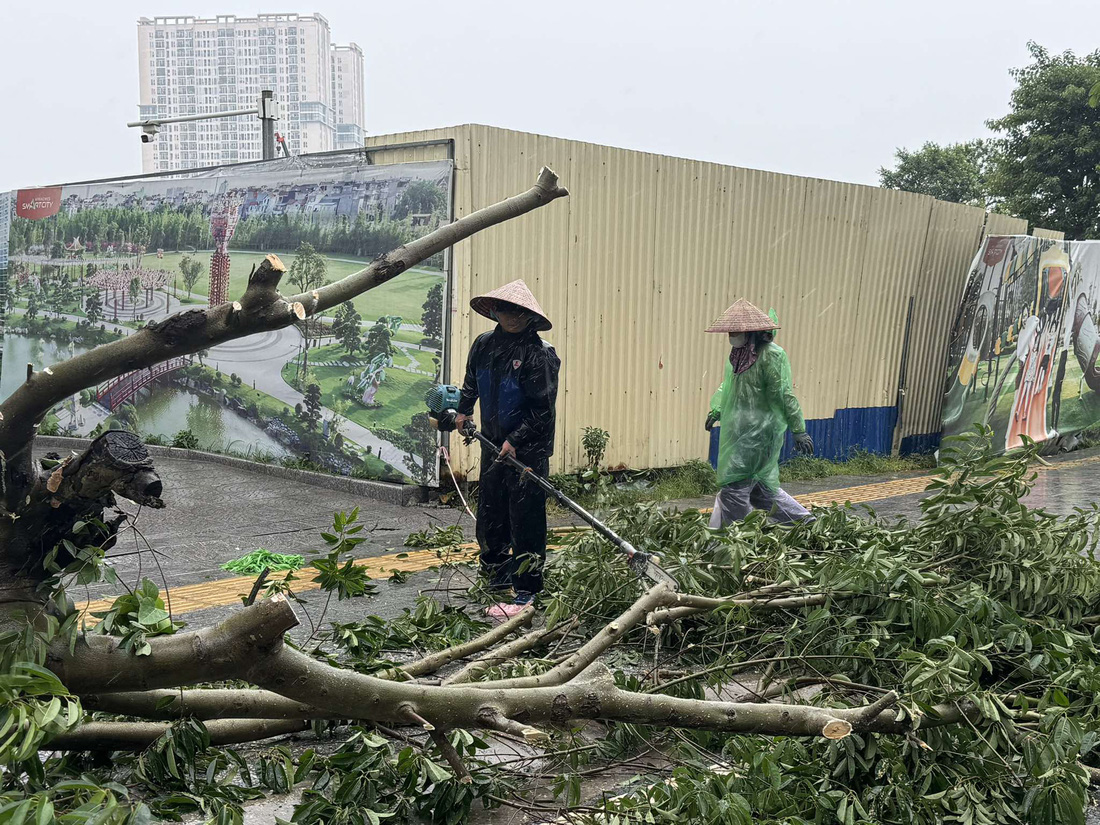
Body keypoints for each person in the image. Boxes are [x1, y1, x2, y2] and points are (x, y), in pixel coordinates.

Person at [455, 279, 561, 618]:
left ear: (529, 316)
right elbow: (471, 382)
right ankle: (495, 578)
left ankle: (527, 590)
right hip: (492, 442)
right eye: (505, 309)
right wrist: (463, 410)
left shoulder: (539, 354)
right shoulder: (484, 345)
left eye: (518, 312)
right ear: (495, 311)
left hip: (527, 450)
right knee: (491, 512)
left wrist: (515, 441)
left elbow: (542, 410)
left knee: (525, 518)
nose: (511, 316)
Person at [704, 299, 814, 527]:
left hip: (760, 434)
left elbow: (783, 394)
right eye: (730, 332)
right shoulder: (737, 355)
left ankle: (732, 538)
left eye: (736, 331)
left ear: (752, 332)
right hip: (739, 432)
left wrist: (798, 428)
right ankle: (805, 522)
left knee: (734, 488)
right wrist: (717, 409)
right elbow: (729, 387)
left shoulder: (772, 355)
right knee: (761, 491)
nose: (731, 336)